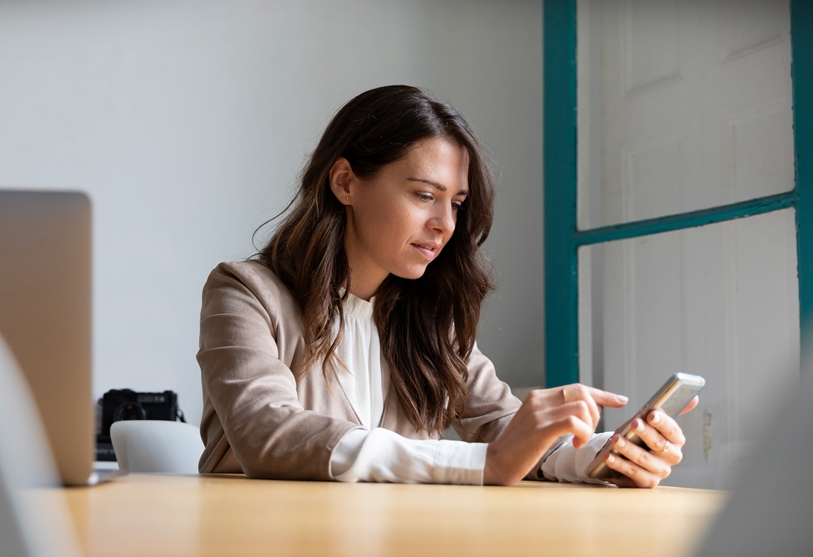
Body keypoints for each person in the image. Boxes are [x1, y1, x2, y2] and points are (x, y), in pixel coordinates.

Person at [196, 85, 695, 487]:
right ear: (345, 182)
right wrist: (481, 464)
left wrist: (601, 458)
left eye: (455, 203)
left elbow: (504, 429)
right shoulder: (244, 293)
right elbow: (266, 432)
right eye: (423, 195)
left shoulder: (431, 317)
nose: (445, 224)